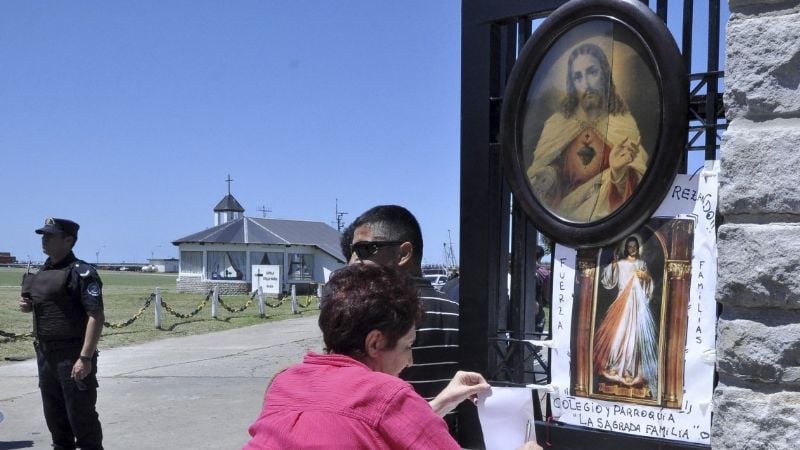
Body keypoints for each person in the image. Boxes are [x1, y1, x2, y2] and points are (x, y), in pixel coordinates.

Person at [245, 264, 541, 450]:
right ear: (375, 343)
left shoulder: (285, 381)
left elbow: (368, 425)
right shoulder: (386, 393)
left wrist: (442, 402)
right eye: (408, 346)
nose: (410, 361)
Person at [526, 42, 648, 222]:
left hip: (608, 221)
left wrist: (618, 172)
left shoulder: (622, 123)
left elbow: (638, 185)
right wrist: (549, 173)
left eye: (592, 72)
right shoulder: (558, 124)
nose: (587, 84)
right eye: (578, 77)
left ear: (604, 75)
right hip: (563, 223)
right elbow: (538, 180)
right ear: (572, 84)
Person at [18, 218, 105, 450]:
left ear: (68, 240)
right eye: (43, 235)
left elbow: (96, 316)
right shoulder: (43, 272)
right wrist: (29, 307)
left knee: (82, 418)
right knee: (56, 420)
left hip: (72, 355)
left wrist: (85, 358)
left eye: (50, 236)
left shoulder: (82, 273)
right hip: (46, 355)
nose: (44, 240)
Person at [593, 236, 657, 396]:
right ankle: (613, 366)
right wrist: (614, 265)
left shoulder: (641, 264)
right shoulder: (621, 264)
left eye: (635, 246)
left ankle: (629, 371)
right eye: (629, 247)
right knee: (617, 336)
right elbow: (609, 281)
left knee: (633, 339)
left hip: (636, 306)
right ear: (626, 248)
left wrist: (646, 278)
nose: (632, 249)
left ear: (638, 248)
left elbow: (648, 283)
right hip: (621, 304)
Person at [534, 246, 551, 334]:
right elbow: (546, 294)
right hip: (537, 306)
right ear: (541, 257)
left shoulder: (519, 268)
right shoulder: (544, 273)